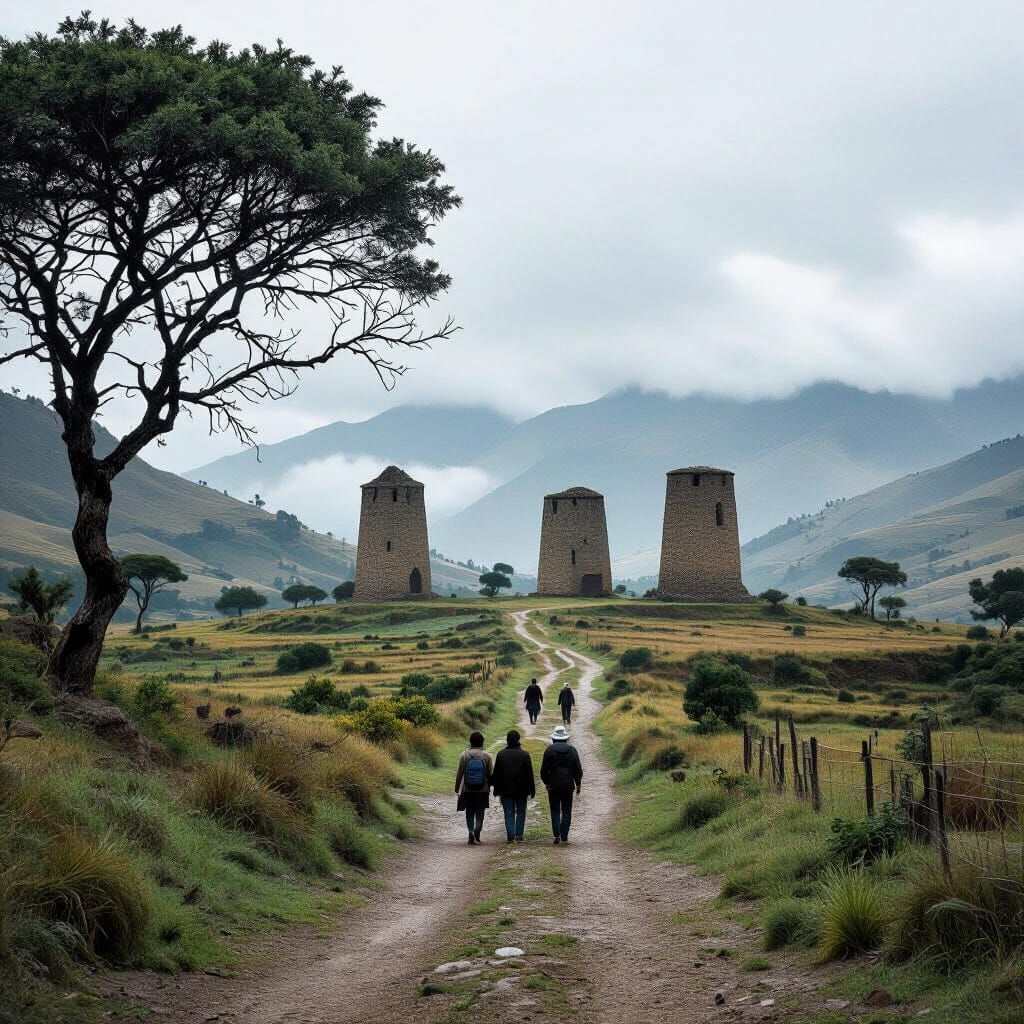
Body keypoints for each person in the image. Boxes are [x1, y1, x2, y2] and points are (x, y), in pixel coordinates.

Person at [540, 724, 583, 845]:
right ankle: (564, 835)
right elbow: (577, 769)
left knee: (554, 810)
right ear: (566, 738)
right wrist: (578, 784)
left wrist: (546, 782)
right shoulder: (572, 750)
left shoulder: (549, 750)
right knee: (566, 810)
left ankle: (556, 835)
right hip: (568, 785)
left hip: (553, 784)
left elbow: (543, 770)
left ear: (554, 738)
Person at [490, 729, 536, 843]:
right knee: (521, 812)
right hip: (522, 790)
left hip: (505, 790)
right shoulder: (525, 755)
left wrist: (496, 789)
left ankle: (511, 835)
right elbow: (530, 774)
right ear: (518, 740)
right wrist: (532, 789)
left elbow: (496, 774)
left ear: (507, 740)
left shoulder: (501, 754)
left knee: (508, 812)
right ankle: (519, 835)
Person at [454, 731, 493, 845]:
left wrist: (457, 788)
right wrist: (489, 787)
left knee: (470, 811)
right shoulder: (487, 756)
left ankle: (470, 832)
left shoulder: (464, 755)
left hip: (468, 789)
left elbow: (459, 773)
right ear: (482, 742)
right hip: (483, 789)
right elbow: (490, 774)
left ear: (470, 741)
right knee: (480, 812)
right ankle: (477, 831)